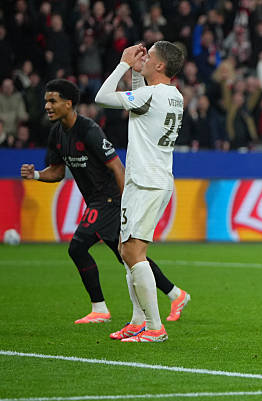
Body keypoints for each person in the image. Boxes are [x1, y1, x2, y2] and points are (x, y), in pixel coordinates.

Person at [20, 79, 190, 328]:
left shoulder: (89, 130)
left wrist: (126, 203)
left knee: (77, 248)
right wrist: (36, 174)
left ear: (68, 104)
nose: (47, 106)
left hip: (110, 200)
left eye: (52, 101)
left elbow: (117, 167)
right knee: (128, 256)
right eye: (46, 101)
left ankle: (99, 308)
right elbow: (57, 171)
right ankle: (176, 294)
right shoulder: (57, 133)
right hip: (96, 200)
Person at [95, 41, 185, 342]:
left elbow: (102, 97)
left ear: (160, 65)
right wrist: (136, 73)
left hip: (147, 181)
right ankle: (137, 321)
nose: (143, 59)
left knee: (133, 252)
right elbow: (141, 106)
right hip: (149, 179)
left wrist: (123, 63)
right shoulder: (173, 95)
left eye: (149, 57)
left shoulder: (151, 95)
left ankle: (155, 327)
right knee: (125, 251)